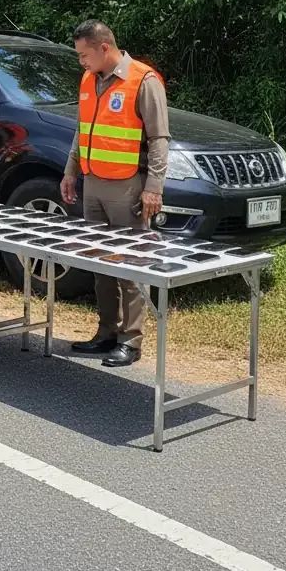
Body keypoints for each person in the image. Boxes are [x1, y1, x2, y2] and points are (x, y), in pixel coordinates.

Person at [61, 19, 170, 367]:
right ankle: (106, 331)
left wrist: (154, 187)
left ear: (104, 47)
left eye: (84, 54)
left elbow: (158, 140)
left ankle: (131, 339)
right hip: (93, 182)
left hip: (127, 186)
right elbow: (83, 129)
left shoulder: (143, 80)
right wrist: (71, 169)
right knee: (99, 261)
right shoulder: (88, 80)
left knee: (130, 263)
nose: (81, 61)